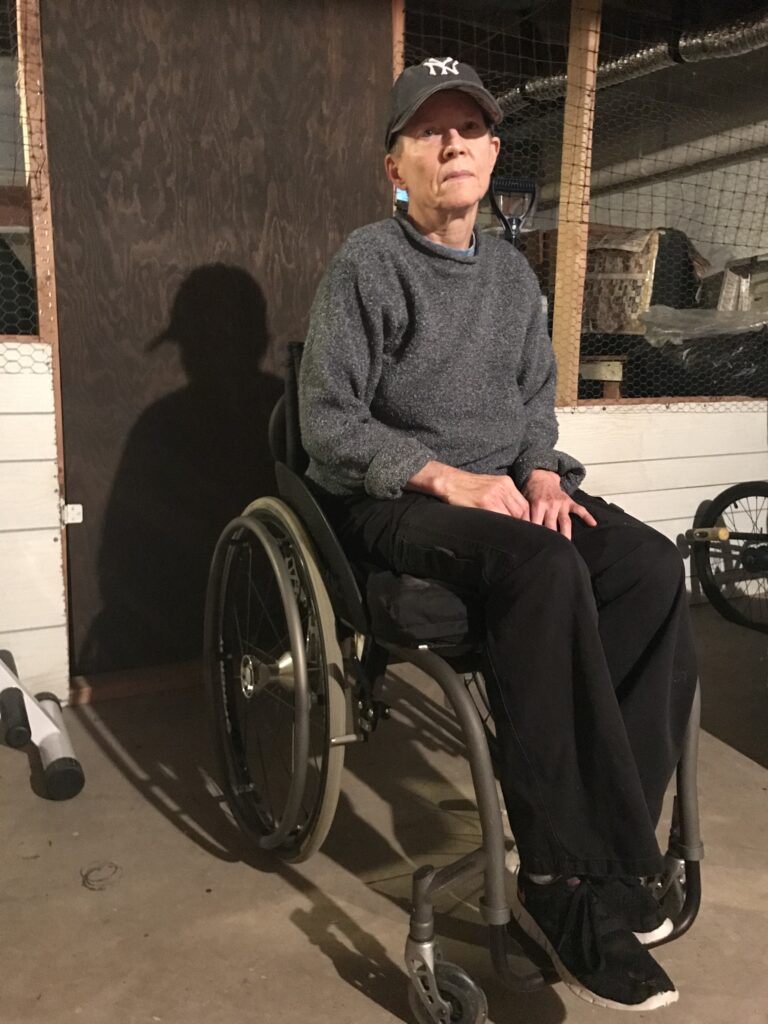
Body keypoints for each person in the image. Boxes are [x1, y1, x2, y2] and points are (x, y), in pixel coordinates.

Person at [298, 57, 697, 1012]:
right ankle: (557, 883)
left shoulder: (513, 276)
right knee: (545, 568)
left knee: (648, 567)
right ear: (395, 163)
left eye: (470, 129)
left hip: (505, 492)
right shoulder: (367, 263)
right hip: (401, 496)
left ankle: (614, 861)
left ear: (491, 153)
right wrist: (443, 476)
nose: (453, 144)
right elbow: (327, 423)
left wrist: (542, 471)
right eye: (429, 131)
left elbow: (533, 403)